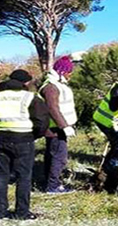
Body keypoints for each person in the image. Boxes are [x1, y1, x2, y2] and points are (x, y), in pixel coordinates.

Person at [0, 69, 49, 220]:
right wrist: (33, 135)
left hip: (0, 139)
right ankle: (22, 212)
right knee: (23, 177)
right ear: (25, 82)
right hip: (24, 140)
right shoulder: (29, 97)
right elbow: (42, 122)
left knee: (1, 175)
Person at [39, 56, 78, 194]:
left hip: (58, 128)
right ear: (62, 71)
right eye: (69, 72)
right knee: (59, 157)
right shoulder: (51, 87)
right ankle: (52, 186)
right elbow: (52, 108)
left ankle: (49, 182)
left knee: (53, 155)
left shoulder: (57, 84)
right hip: (54, 129)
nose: (70, 75)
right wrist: (64, 126)